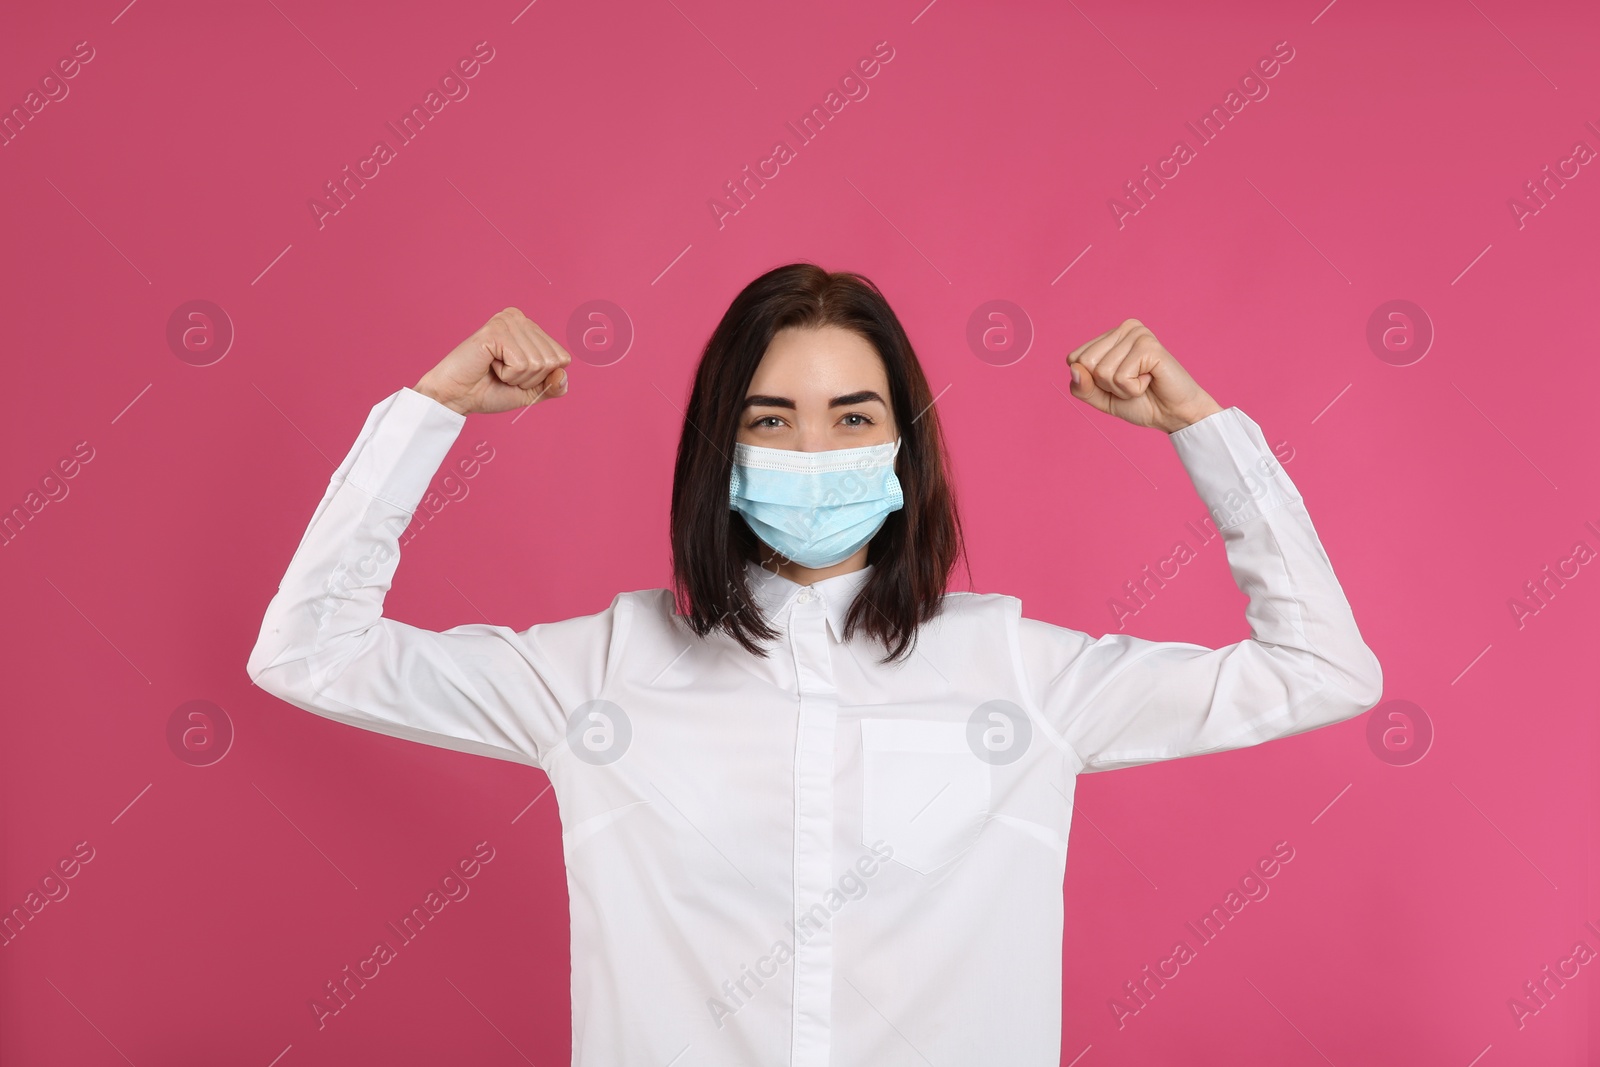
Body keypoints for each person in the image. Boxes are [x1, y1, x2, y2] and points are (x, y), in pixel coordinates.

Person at [247, 262, 1382, 1066]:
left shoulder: (1022, 673)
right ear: (719, 446)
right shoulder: (598, 672)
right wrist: (431, 410)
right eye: (771, 418)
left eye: (851, 417)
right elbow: (311, 652)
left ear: (902, 442)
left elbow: (1322, 667)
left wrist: (1202, 428)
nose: (812, 451)